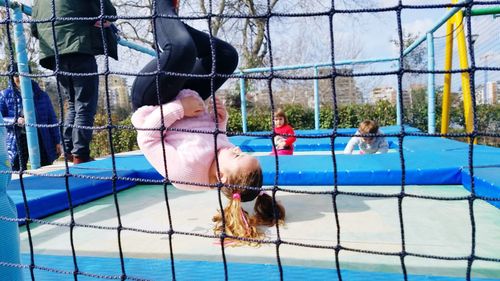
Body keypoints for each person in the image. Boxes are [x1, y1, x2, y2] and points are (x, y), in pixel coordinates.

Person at [131, 89, 285, 246]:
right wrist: (219, 121)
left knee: (180, 63)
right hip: (189, 94)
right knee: (227, 63)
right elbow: (213, 137)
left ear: (221, 176)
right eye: (242, 152)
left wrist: (180, 108)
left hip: (154, 101)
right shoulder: (222, 156)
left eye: (237, 155)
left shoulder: (186, 173)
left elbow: (147, 139)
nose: (237, 149)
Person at [31, 0, 118, 164]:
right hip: (79, 47)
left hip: (54, 54)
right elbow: (109, 12)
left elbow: (35, 30)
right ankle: (80, 154)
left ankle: (67, 151)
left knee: (72, 104)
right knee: (85, 104)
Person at [130, 0, 238, 110]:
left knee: (182, 50)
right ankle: (172, 24)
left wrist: (181, 109)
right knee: (227, 56)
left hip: (150, 103)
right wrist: (221, 120)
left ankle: (162, 13)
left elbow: (145, 123)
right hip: (185, 96)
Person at [0, 65, 62, 170]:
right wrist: (15, 120)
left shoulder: (41, 95)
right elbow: (1, 118)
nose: (19, 78)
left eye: (22, 74)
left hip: (40, 136)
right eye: (16, 75)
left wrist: (57, 141)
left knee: (45, 167)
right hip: (17, 139)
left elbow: (52, 119)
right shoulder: (4, 95)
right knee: (17, 169)